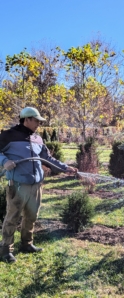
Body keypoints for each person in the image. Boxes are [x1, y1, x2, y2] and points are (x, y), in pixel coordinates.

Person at [0, 107, 77, 263]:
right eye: (36, 121)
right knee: (12, 218)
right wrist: (4, 161)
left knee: (32, 216)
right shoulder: (8, 136)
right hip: (18, 185)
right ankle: (6, 250)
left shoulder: (37, 138)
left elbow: (48, 159)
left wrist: (65, 168)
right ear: (26, 119)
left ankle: (27, 244)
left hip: (36, 185)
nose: (39, 124)